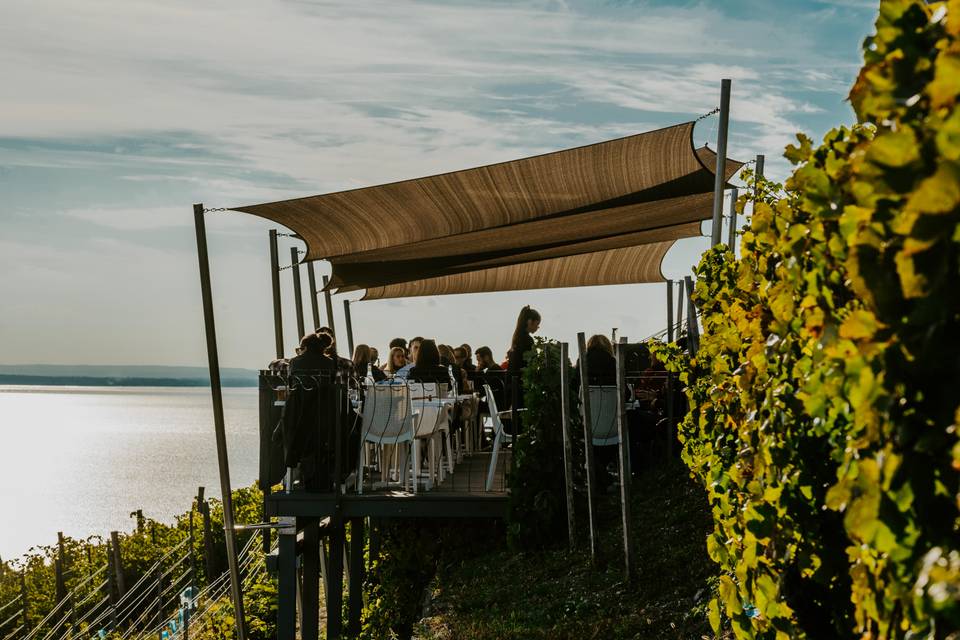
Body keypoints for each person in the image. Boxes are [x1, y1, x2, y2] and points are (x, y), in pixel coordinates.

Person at [507, 306, 541, 374]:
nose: (538, 327)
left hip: (513, 379)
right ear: (530, 321)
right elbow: (532, 362)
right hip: (521, 380)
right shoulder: (527, 340)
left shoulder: (517, 337)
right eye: (537, 324)